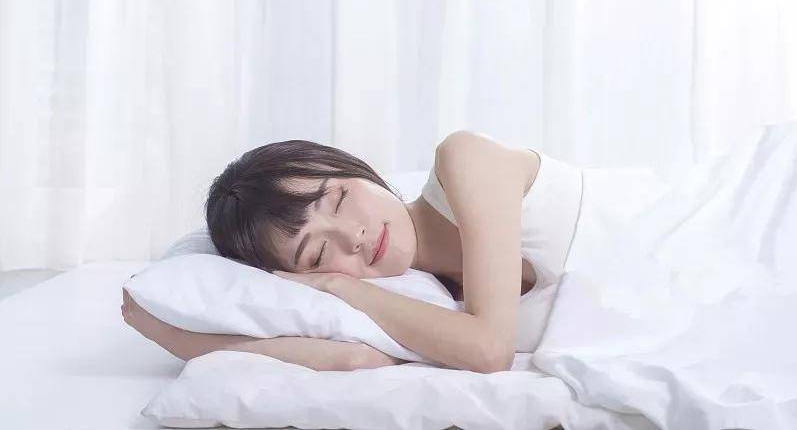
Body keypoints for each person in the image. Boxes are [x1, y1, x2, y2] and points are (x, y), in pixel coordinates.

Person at [122, 130, 583, 374]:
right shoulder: (418, 300)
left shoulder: (464, 159)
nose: (353, 236)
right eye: (318, 252)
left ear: (350, 168)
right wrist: (187, 342)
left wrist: (337, 282)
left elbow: (489, 350)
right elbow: (356, 360)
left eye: (338, 199)